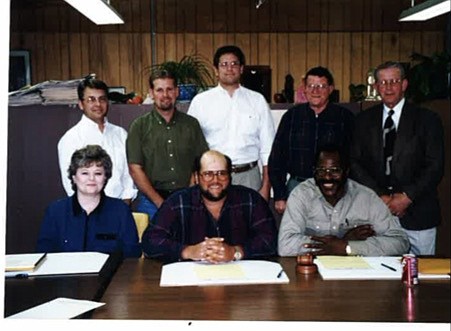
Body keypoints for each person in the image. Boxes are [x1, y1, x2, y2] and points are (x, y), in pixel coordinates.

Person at [350, 61, 444, 256]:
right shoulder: (363, 120)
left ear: (404, 84)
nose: (388, 87)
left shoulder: (428, 119)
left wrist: (406, 197)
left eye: (394, 81)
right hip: (376, 212)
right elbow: (355, 163)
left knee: (420, 276)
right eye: (383, 83)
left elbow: (435, 165)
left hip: (418, 212)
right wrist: (381, 197)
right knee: (380, 278)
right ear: (376, 87)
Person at [142, 150, 278, 263]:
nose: (215, 180)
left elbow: (270, 239)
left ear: (230, 176)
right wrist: (187, 251)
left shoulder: (250, 199)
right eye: (208, 174)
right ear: (196, 177)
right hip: (189, 280)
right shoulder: (178, 202)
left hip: (241, 279)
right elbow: (150, 241)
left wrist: (236, 252)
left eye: (221, 173)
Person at [278, 144, 410, 257]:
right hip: (313, 271)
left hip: (356, 274)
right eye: (321, 171)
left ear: (346, 172)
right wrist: (340, 242)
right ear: (314, 172)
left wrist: (348, 247)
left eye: (335, 171)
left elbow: (400, 242)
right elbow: (285, 246)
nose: (327, 177)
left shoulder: (366, 197)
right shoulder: (302, 194)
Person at [187, 45, 275, 202]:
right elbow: (191, 145)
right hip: (213, 177)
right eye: (224, 64)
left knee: (247, 224)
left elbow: (268, 148)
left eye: (234, 64)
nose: (229, 68)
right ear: (216, 70)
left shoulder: (257, 101)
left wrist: (266, 185)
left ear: (241, 69)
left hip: (249, 176)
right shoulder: (201, 102)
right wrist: (194, 177)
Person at [268, 66, 355, 214]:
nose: (316, 91)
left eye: (321, 86)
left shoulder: (345, 118)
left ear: (331, 89)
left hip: (334, 188)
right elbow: (277, 157)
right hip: (297, 186)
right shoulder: (291, 116)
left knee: (332, 234)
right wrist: (280, 194)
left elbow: (354, 158)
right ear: (304, 89)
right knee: (297, 233)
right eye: (311, 86)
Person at [126, 70, 208, 220]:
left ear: (177, 92)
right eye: (159, 90)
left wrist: (191, 192)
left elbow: (201, 161)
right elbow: (135, 169)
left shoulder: (191, 124)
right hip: (150, 202)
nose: (165, 95)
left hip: (186, 199)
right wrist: (160, 203)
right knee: (152, 243)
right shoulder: (139, 126)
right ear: (151, 93)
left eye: (169, 89)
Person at [37, 145, 141, 258]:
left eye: (98, 173)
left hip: (110, 275)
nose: (91, 179)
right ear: (74, 177)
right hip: (66, 274)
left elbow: (132, 256)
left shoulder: (121, 211)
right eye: (85, 173)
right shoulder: (55, 212)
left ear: (105, 177)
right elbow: (44, 255)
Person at [57, 78, 137, 205]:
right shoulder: (71, 139)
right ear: (81, 104)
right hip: (88, 210)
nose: (98, 104)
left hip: (121, 207)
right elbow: (70, 182)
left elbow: (129, 175)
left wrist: (125, 204)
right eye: (91, 100)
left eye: (102, 99)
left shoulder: (121, 134)